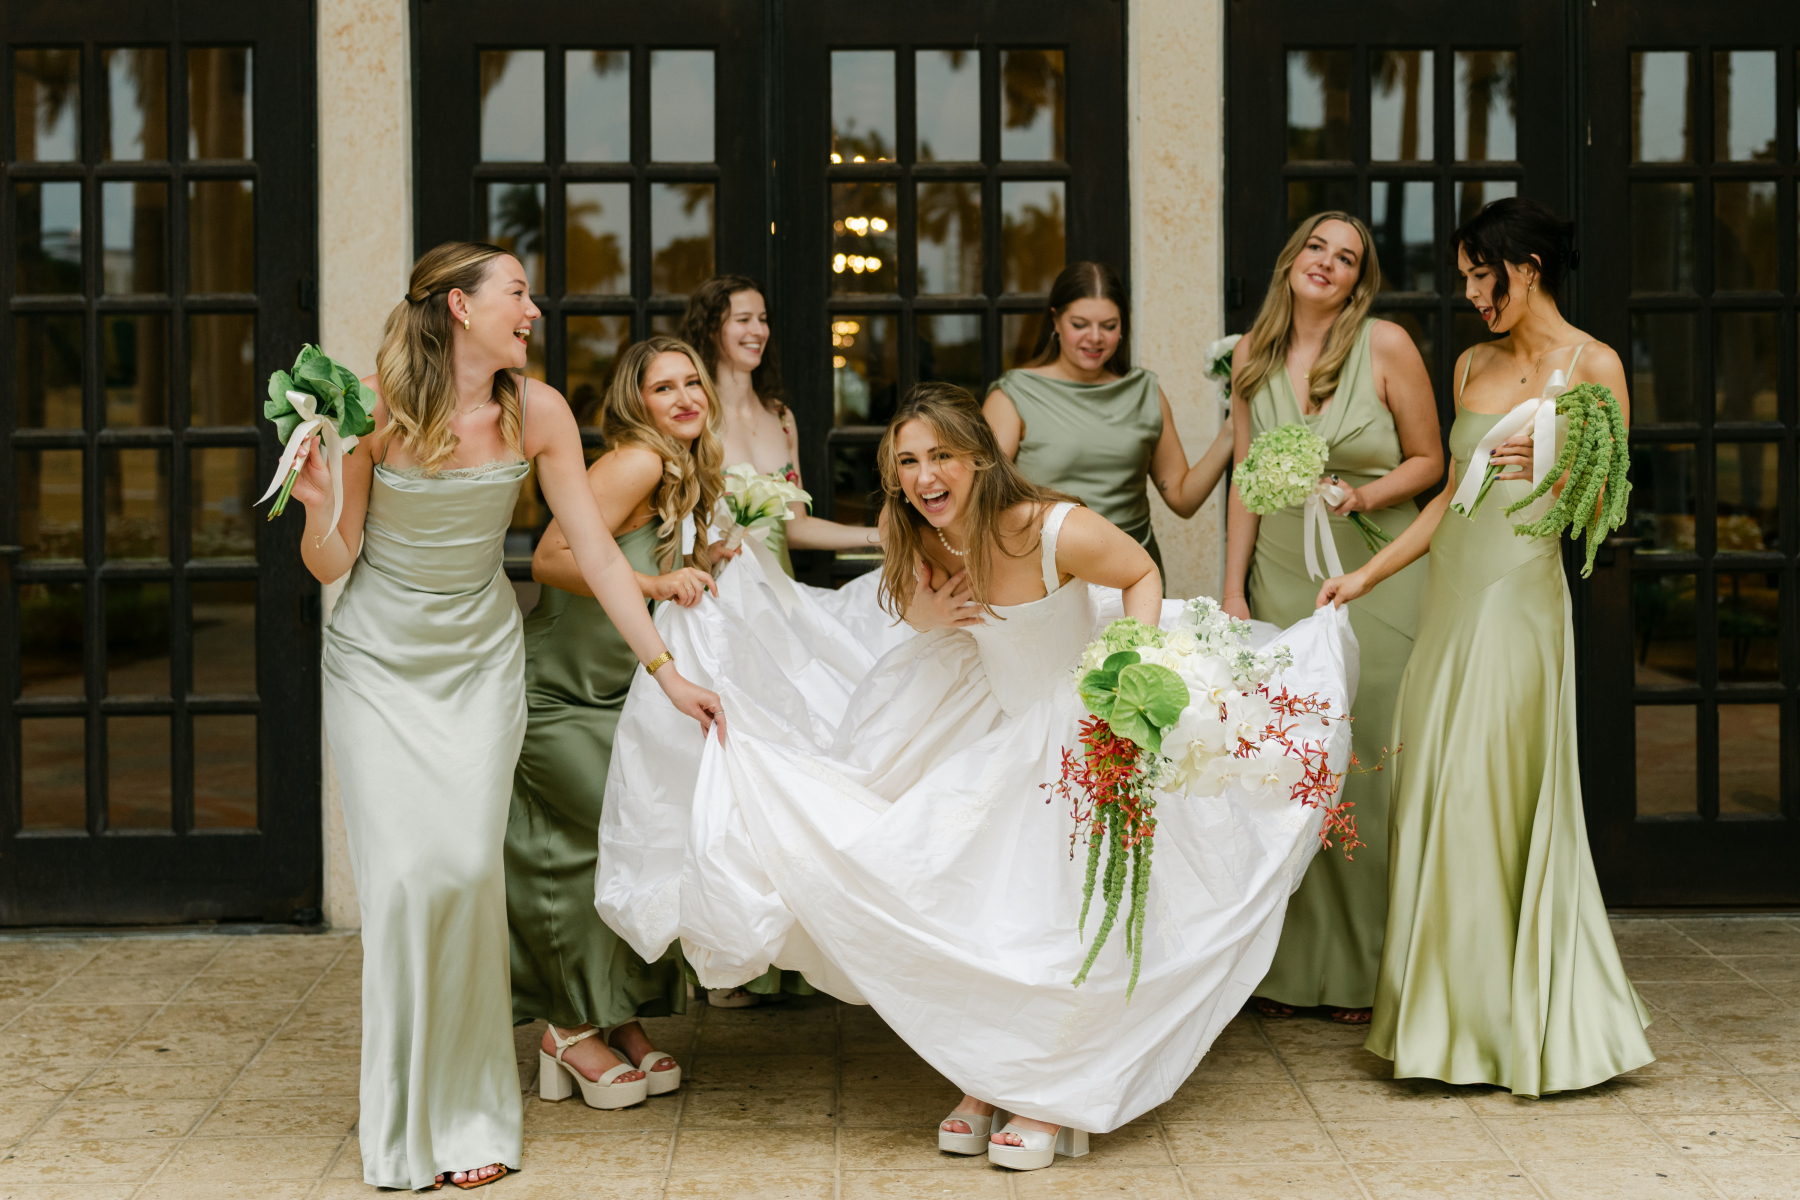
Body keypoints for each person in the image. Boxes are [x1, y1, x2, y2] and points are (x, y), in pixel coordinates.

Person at [596, 384, 1357, 1171]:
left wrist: (1121, 670)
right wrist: (938, 617)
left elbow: (1138, 574)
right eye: (908, 463)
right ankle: (986, 1075)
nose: (925, 477)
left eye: (941, 458)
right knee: (976, 905)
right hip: (997, 723)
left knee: (1060, 910)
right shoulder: (921, 533)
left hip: (1079, 722)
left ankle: (1043, 1091)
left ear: (981, 459)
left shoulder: (1051, 528)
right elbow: (925, 620)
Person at [288, 243, 721, 1190]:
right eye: (518, 293)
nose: (534, 308)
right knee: (407, 883)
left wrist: (664, 668)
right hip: (378, 665)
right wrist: (321, 504)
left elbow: (601, 557)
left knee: (466, 874)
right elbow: (334, 563)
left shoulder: (539, 411)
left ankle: (472, 1113)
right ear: (459, 307)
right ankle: (404, 1121)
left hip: (482, 666)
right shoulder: (371, 407)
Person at [1316, 197, 1653, 1094]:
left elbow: (1602, 504)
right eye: (1465, 277)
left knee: (1487, 790)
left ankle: (1508, 1029)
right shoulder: (1468, 364)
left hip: (1519, 601)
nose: (1470, 293)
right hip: (1452, 600)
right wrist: (1369, 574)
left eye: (1480, 274)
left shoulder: (1595, 366)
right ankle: (1442, 1026)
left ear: (1529, 266)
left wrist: (1555, 463)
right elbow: (1443, 500)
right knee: (1433, 787)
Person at [1223, 212, 1442, 1025]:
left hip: (1377, 573)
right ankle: (1291, 969)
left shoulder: (1385, 347)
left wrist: (1365, 494)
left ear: (1359, 280)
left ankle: (1366, 973)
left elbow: (1432, 461)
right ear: (1291, 262)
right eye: (1317, 247)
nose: (1327, 263)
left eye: (1346, 257)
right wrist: (1235, 588)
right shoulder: (1251, 356)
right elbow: (1247, 477)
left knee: (1370, 768)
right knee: (1295, 772)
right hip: (1282, 583)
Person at [506, 337, 728, 1109]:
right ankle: (566, 1029)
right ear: (636, 405)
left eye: (692, 381)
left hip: (621, 696)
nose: (684, 397)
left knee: (635, 841)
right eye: (663, 388)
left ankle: (618, 1015)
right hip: (560, 695)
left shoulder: (685, 473)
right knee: (596, 841)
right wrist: (655, 577)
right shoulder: (638, 460)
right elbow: (551, 556)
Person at [680, 274, 886, 1006]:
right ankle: (728, 942)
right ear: (712, 326)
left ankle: (795, 938)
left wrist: (876, 534)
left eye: (764, 319)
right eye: (742, 318)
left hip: (780, 597)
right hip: (718, 602)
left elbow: (793, 522)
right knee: (735, 760)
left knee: (813, 736)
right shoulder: (688, 410)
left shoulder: (779, 416)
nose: (757, 331)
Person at [984, 261, 1233, 576]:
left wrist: (1232, 428)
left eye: (1109, 325)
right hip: (1045, 574)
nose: (1095, 337)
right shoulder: (1014, 395)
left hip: (1133, 575)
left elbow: (1183, 500)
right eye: (1080, 324)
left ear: (1123, 327)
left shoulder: (1145, 391)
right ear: (1055, 321)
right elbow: (982, 500)